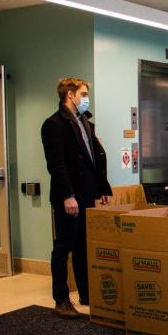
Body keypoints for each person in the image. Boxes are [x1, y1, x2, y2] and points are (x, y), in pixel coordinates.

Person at [41, 77, 112, 319]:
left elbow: (94, 158)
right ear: (70, 95)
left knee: (83, 245)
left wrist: (102, 189)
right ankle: (61, 299)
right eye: (83, 93)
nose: (86, 98)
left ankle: (86, 294)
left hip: (87, 192)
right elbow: (57, 164)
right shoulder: (54, 124)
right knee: (63, 246)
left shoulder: (84, 121)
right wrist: (67, 195)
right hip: (68, 196)